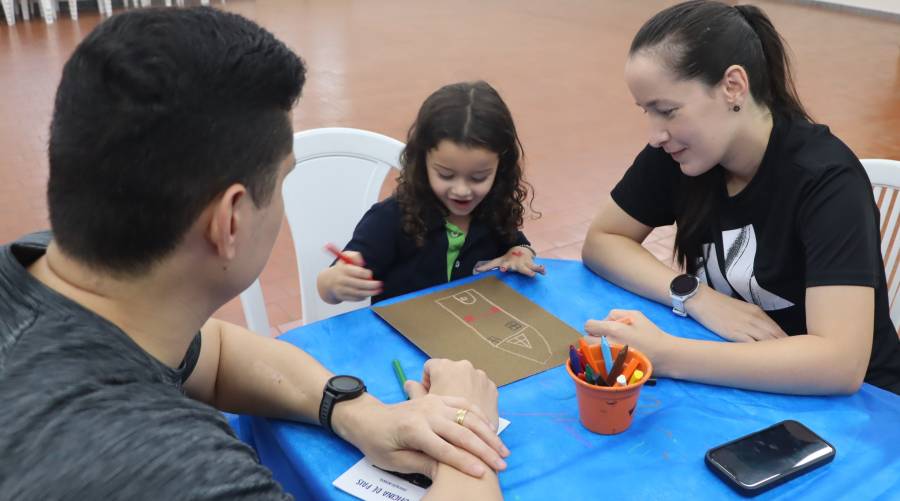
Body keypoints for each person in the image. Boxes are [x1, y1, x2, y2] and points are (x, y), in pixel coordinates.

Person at [0, 8, 508, 499]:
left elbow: (217, 354)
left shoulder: (43, 268)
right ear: (231, 220)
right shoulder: (177, 472)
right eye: (283, 180)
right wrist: (468, 429)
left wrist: (361, 414)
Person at [581, 0, 900, 395]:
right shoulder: (681, 152)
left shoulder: (826, 181)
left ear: (733, 86)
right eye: (648, 111)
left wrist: (665, 355)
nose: (655, 134)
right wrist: (697, 297)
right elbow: (604, 240)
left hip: (856, 410)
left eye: (667, 110)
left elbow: (840, 365)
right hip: (737, 380)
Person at [317, 81, 543, 305]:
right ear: (422, 162)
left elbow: (518, 244)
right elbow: (328, 288)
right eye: (446, 175)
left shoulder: (493, 209)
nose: (462, 190)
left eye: (478, 177)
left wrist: (520, 253)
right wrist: (334, 283)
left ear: (500, 167)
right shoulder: (390, 218)